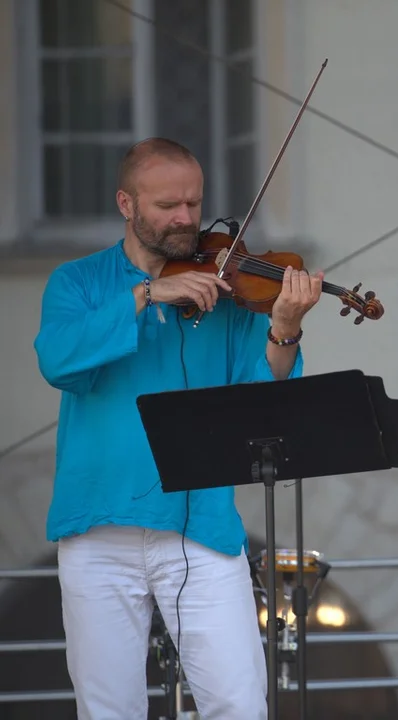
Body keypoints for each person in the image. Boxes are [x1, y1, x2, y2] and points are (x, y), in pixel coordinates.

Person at [33, 137, 323, 718]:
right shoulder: (79, 282)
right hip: (99, 527)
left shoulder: (229, 290)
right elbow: (57, 360)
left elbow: (264, 400)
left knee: (240, 703)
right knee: (108, 708)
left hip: (202, 524)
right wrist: (146, 295)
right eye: (167, 205)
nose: (186, 219)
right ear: (127, 203)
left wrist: (285, 328)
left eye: (193, 203)